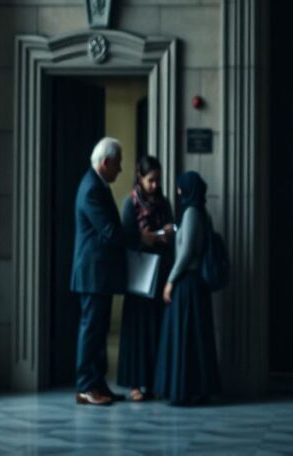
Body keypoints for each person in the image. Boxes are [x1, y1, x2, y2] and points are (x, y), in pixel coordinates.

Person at [72, 137, 161, 406]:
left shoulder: (97, 185)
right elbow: (110, 232)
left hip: (99, 274)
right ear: (106, 162)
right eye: (118, 164)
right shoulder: (91, 189)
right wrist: (141, 237)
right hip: (92, 274)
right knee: (91, 331)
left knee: (98, 332)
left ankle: (98, 385)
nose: (121, 170)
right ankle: (87, 387)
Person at [154, 171, 221, 405]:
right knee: (194, 340)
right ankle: (196, 389)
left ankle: (184, 391)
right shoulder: (199, 212)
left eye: (181, 188)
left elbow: (185, 255)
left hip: (188, 283)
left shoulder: (191, 213)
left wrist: (170, 281)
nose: (178, 191)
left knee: (184, 339)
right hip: (195, 285)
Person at [117, 156, 176, 402]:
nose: (155, 185)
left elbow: (171, 229)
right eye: (151, 180)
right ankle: (134, 384)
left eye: (158, 180)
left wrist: (165, 235)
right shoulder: (130, 204)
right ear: (139, 178)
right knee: (137, 329)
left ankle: (153, 381)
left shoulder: (164, 202)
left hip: (160, 269)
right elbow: (127, 236)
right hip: (140, 273)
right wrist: (146, 238)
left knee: (156, 327)